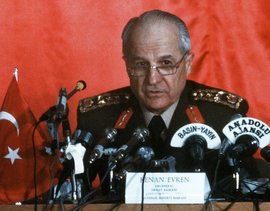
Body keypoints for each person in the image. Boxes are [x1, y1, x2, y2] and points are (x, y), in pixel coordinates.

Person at [76, 10, 267, 201]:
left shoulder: (222, 116)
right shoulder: (98, 118)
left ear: (188, 63)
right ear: (127, 66)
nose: (153, 79)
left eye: (166, 63)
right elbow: (73, 195)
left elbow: (249, 191)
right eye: (141, 64)